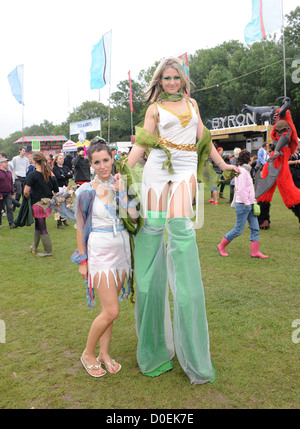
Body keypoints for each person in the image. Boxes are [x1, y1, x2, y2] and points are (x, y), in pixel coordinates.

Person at [120, 57, 239, 384]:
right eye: (166, 78)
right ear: (159, 81)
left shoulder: (193, 104)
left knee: (180, 236)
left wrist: (223, 165)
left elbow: (205, 141)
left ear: (182, 80)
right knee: (152, 237)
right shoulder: (155, 110)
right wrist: (122, 171)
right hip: (157, 170)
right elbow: (141, 144)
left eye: (176, 77)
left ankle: (192, 349)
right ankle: (154, 348)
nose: (172, 82)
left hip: (185, 169)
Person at [73, 138, 138, 378]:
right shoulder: (84, 191)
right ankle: (88, 353)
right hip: (99, 252)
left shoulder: (122, 184)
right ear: (90, 164)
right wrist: (83, 260)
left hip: (121, 251)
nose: (103, 166)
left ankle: (104, 354)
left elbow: (133, 216)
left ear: (113, 159)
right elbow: (80, 227)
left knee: (110, 308)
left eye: (106, 160)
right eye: (97, 162)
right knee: (111, 310)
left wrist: (123, 193)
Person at [217, 149, 268, 259]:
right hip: (243, 204)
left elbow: (248, 189)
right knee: (238, 230)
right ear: (249, 160)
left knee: (255, 228)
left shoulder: (244, 170)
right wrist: (247, 203)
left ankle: (255, 252)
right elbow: (240, 189)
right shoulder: (241, 171)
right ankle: (221, 246)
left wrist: (252, 201)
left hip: (248, 204)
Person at [24, 152, 59, 257]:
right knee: (38, 225)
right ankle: (34, 247)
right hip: (47, 204)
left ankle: (48, 251)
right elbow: (56, 191)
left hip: (38, 205)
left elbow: (26, 191)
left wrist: (27, 198)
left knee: (42, 227)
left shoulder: (33, 175)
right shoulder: (50, 174)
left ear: (34, 162)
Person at [52, 153, 73, 228]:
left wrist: (65, 176)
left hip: (66, 187)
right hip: (59, 188)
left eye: (62, 158)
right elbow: (59, 176)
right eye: (60, 158)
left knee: (66, 204)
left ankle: (64, 219)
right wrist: (66, 175)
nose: (62, 160)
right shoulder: (55, 168)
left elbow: (71, 175)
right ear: (56, 160)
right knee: (59, 205)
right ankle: (59, 222)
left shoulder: (65, 167)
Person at [0, 157, 16, 229]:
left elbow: (11, 183)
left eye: (7, 162)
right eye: (4, 162)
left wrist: (12, 192)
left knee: (9, 208)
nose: (6, 163)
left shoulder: (9, 172)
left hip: (8, 193)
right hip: (1, 192)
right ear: (1, 164)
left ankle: (11, 224)